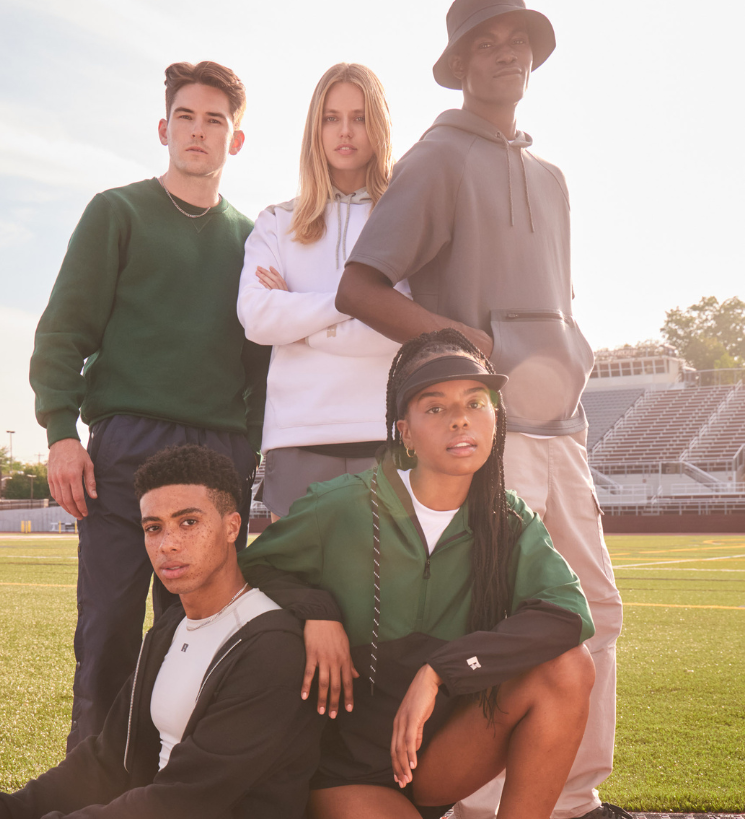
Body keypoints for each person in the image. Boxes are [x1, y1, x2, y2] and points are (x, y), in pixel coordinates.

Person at [334, 2, 625, 817]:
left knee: (596, 612)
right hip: (491, 434)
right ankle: (479, 804)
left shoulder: (553, 177)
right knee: (507, 625)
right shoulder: (436, 160)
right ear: (460, 63)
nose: (506, 55)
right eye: (486, 44)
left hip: (563, 431)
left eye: (517, 42)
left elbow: (557, 299)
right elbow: (358, 286)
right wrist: (460, 339)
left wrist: (573, 356)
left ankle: (573, 799)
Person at [239, 329, 596, 819]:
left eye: (476, 402)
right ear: (404, 432)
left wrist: (441, 671)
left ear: (496, 418)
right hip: (346, 770)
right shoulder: (340, 504)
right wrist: (317, 612)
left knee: (568, 667)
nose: (460, 420)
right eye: (435, 407)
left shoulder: (507, 522)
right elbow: (254, 570)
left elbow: (567, 615)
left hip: (437, 759)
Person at [28, 61, 271, 751]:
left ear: (237, 139)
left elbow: (263, 367)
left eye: (215, 121)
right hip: (126, 447)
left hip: (217, 452)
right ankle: (91, 784)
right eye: (187, 118)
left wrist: (245, 455)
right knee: (105, 628)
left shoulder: (253, 241)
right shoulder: (118, 212)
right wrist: (59, 431)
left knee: (197, 632)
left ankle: (179, 784)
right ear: (165, 129)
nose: (199, 132)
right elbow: (63, 330)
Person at [0, 445, 322, 819]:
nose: (167, 544)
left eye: (189, 522)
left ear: (232, 527)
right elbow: (107, 757)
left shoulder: (270, 646)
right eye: (153, 527)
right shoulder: (170, 626)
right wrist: (2, 809)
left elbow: (185, 801)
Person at [237, 62, 407, 521]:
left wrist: (298, 316)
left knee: (382, 595)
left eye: (359, 116)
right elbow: (258, 318)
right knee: (296, 595)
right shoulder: (277, 220)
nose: (345, 131)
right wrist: (355, 300)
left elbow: (405, 328)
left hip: (385, 436)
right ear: (316, 128)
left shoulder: (407, 221)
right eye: (331, 117)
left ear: (379, 126)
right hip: (295, 438)